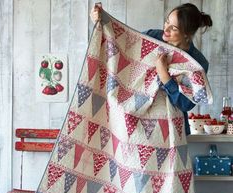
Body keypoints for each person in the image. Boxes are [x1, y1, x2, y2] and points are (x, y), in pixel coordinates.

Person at [90, 3, 213, 135]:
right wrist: (101, 23)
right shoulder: (152, 37)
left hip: (170, 130)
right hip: (136, 121)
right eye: (167, 22)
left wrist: (164, 75)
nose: (166, 29)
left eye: (174, 28)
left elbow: (185, 104)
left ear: (186, 35)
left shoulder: (197, 63)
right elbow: (121, 45)